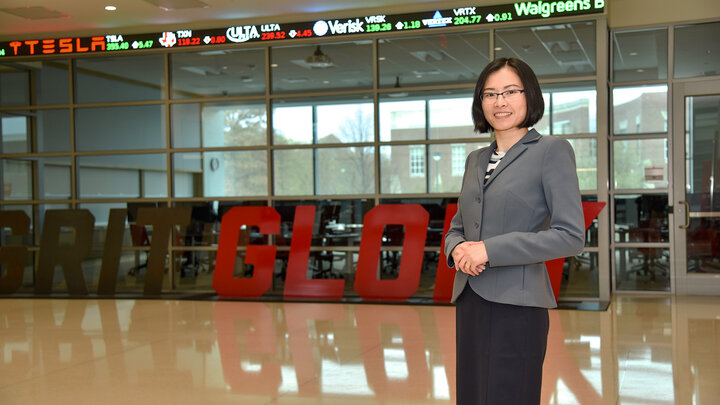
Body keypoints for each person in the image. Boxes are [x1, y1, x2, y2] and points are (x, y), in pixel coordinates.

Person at [444, 57, 585, 404]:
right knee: (473, 394)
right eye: (490, 94)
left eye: (510, 91)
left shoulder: (551, 151)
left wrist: (489, 250)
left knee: (509, 395)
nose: (500, 102)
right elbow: (458, 227)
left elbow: (571, 235)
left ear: (529, 96)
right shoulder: (475, 159)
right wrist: (457, 248)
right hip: (471, 299)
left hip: (517, 305)